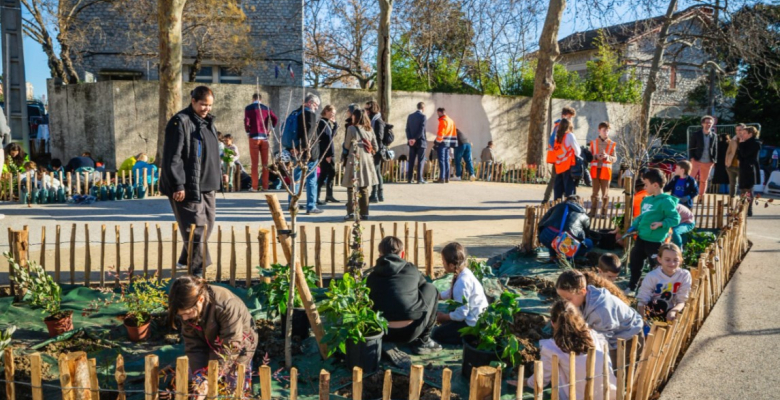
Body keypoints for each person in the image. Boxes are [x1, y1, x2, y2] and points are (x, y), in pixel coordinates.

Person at [159, 86, 221, 277]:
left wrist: (220, 173)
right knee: (196, 228)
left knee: (207, 225)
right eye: (203, 104)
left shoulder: (208, 122)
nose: (206, 109)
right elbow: (172, 156)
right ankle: (196, 270)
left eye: (209, 105)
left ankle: (185, 258)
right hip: (186, 186)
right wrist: (178, 184)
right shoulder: (180, 122)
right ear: (193, 101)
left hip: (207, 184)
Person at [168, 275, 257, 396]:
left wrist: (210, 377)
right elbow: (194, 346)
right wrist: (200, 376)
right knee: (200, 383)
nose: (184, 318)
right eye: (181, 315)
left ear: (200, 299)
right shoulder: (188, 309)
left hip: (239, 346)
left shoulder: (226, 305)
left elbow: (232, 347)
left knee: (232, 388)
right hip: (211, 342)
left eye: (187, 313)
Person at [366, 237, 442, 367]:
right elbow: (424, 287)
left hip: (382, 331)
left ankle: (385, 342)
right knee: (431, 288)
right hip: (412, 332)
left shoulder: (372, 276)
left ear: (380, 255)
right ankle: (423, 341)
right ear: (402, 254)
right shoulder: (411, 269)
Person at [526, 300, 616, 400]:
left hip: (581, 397)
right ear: (579, 318)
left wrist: (526, 382)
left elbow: (541, 379)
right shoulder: (594, 335)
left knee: (558, 365)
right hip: (609, 394)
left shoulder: (551, 347)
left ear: (552, 323)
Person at [556, 269, 643, 366]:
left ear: (582, 291)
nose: (565, 303)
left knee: (612, 370)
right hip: (610, 335)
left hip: (628, 338)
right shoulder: (580, 300)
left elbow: (603, 342)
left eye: (568, 299)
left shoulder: (601, 310)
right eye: (562, 298)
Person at [626, 168, 681, 292]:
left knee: (656, 267)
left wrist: (661, 223)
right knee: (635, 263)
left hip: (655, 241)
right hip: (641, 238)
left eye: (646, 184)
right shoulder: (647, 200)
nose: (644, 187)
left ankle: (658, 290)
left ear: (655, 185)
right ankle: (632, 286)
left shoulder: (666, 201)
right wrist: (634, 226)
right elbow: (642, 216)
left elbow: (675, 219)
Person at [432, 242, 489, 345]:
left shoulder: (462, 282)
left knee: (437, 334)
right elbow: (452, 292)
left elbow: (461, 314)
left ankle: (470, 340)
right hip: (474, 316)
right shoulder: (463, 271)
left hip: (473, 325)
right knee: (449, 317)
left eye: (443, 261)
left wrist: (443, 317)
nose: (442, 264)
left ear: (452, 265)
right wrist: (438, 296)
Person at [636, 244, 692, 323]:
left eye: (675, 260)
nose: (672, 263)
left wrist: (673, 311)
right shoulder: (652, 276)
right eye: (667, 260)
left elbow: (682, 300)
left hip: (674, 310)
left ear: (681, 260)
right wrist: (643, 318)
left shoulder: (684, 275)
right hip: (654, 310)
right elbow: (643, 299)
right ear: (659, 259)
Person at [289, 93, 322, 214]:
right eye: (316, 105)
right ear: (310, 103)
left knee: (296, 179)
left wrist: (295, 148)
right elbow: (309, 134)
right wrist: (303, 148)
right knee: (311, 180)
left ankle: (292, 204)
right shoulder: (310, 114)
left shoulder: (295, 113)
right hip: (309, 153)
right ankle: (311, 206)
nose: (317, 108)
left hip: (295, 151)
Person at [342, 109, 378, 220]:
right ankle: (365, 213)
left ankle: (351, 212)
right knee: (364, 187)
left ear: (355, 117)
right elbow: (376, 147)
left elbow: (347, 145)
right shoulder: (370, 129)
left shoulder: (351, 128)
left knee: (351, 186)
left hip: (354, 157)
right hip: (367, 159)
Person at [537, 195, 593, 260]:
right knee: (589, 243)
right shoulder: (583, 215)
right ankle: (568, 257)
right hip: (565, 244)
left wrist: (539, 237)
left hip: (545, 237)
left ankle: (553, 256)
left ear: (566, 200)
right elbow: (586, 234)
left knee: (554, 234)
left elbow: (541, 223)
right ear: (579, 204)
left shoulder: (557, 207)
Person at [244, 93, 278, 191]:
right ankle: (265, 186)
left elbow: (246, 121)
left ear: (252, 98)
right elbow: (275, 118)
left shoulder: (248, 108)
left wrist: (247, 131)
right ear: (261, 99)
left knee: (254, 163)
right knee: (265, 163)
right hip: (264, 137)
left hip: (253, 137)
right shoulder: (266, 108)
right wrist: (271, 129)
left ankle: (254, 187)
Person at [543, 107, 576, 203]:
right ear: (563, 116)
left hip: (560, 159)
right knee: (556, 179)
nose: (570, 119)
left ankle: (549, 199)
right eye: (569, 117)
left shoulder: (563, 126)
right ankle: (547, 199)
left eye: (571, 117)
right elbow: (552, 140)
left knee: (557, 180)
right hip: (559, 159)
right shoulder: (560, 126)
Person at [688, 115, 717, 198]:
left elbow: (715, 148)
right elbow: (691, 147)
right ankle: (689, 194)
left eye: (710, 123)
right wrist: (692, 158)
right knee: (691, 178)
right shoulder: (696, 134)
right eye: (707, 122)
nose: (708, 124)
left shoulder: (714, 135)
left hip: (708, 161)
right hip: (696, 159)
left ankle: (701, 196)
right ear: (702, 124)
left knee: (703, 180)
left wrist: (714, 160)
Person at [552, 119, 581, 200]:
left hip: (558, 166)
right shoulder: (570, 135)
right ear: (569, 126)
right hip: (568, 165)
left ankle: (557, 205)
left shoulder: (557, 138)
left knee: (558, 188)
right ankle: (569, 206)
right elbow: (577, 151)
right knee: (569, 189)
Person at [589, 122, 616, 209]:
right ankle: (593, 212)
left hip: (606, 171)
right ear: (599, 131)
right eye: (604, 130)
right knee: (594, 193)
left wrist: (607, 157)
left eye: (607, 131)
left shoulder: (612, 144)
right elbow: (588, 157)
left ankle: (604, 212)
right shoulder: (593, 143)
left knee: (605, 194)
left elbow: (614, 158)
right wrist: (596, 156)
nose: (606, 132)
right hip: (595, 170)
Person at [316, 105, 339, 204]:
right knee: (323, 175)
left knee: (331, 173)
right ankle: (316, 196)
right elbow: (325, 140)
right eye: (331, 112)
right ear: (326, 111)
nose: (333, 115)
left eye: (334, 113)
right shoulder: (322, 123)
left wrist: (335, 125)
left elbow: (331, 136)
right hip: (327, 154)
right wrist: (327, 155)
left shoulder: (327, 123)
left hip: (329, 153)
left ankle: (329, 195)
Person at [737, 126, 761, 217]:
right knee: (742, 188)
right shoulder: (744, 143)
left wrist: (741, 145)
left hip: (750, 168)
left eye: (744, 133)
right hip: (743, 167)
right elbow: (739, 156)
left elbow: (745, 154)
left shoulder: (755, 143)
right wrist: (741, 145)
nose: (742, 135)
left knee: (748, 188)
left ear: (750, 134)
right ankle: (742, 208)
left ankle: (749, 210)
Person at [366, 100, 386, 203]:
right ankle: (378, 194)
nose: (366, 111)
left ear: (372, 109)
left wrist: (373, 148)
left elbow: (379, 137)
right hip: (374, 149)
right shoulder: (373, 120)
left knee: (376, 172)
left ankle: (377, 194)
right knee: (375, 172)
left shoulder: (378, 121)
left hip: (376, 151)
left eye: (367, 109)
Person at [406, 102, 427, 184]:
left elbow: (407, 129)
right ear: (423, 108)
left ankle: (410, 178)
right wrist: (415, 139)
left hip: (411, 142)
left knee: (411, 160)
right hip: (421, 141)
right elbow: (421, 130)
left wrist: (410, 139)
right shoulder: (423, 116)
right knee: (420, 160)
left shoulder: (410, 116)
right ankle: (419, 179)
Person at [434, 108, 457, 183]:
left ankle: (442, 178)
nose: (437, 115)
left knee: (441, 160)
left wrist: (437, 142)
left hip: (442, 142)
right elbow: (454, 132)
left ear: (440, 112)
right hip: (448, 142)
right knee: (447, 160)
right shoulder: (451, 120)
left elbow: (441, 133)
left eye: (438, 113)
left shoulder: (443, 120)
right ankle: (447, 178)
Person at [725, 125, 741, 197]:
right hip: (731, 165)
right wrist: (726, 162)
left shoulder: (746, 139)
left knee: (743, 185)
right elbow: (728, 151)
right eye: (737, 130)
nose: (738, 132)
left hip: (741, 166)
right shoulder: (733, 140)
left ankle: (742, 202)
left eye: (740, 130)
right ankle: (731, 202)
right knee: (732, 184)